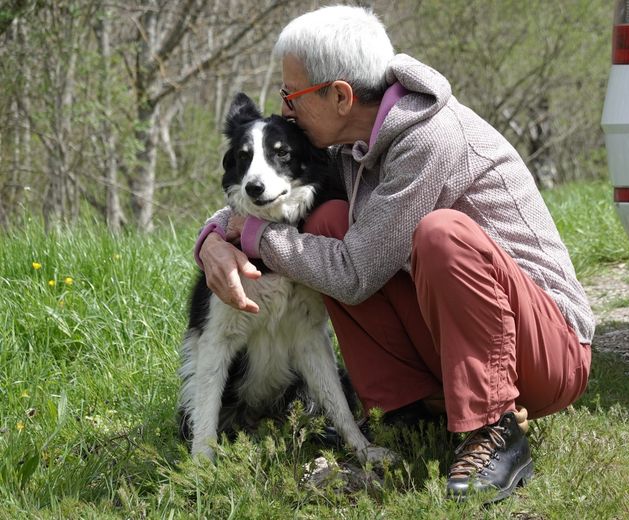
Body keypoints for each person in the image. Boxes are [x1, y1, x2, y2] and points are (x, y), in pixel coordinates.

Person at [195, 5, 594, 502]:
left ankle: (495, 428)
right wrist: (213, 239)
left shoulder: (430, 138)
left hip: (547, 350)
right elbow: (264, 197)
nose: (286, 112)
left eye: (290, 96)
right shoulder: (350, 143)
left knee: (441, 235)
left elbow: (356, 274)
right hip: (464, 339)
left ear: (340, 95)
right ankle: (410, 404)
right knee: (326, 220)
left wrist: (255, 239)